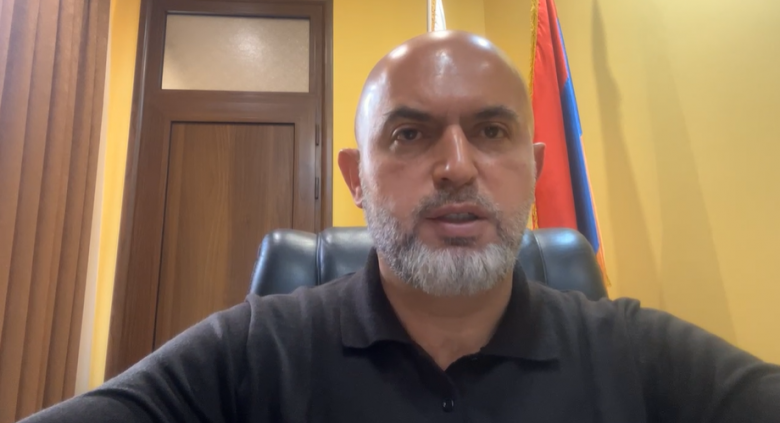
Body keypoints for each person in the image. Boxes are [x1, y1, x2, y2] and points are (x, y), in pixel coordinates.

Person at [21, 30, 780, 423]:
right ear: (356, 179)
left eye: (491, 131)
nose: (456, 167)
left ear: (535, 166)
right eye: (410, 134)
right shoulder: (254, 349)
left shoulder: (634, 353)